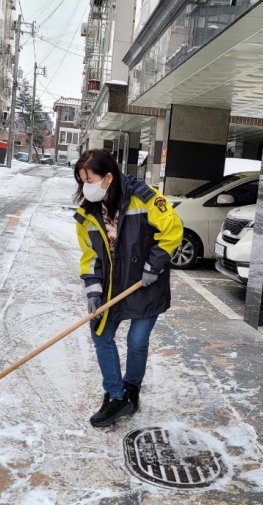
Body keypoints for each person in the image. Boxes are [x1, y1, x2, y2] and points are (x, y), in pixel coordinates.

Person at [73, 149, 183, 427]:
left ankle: (132, 388)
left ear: (108, 177)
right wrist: (93, 292)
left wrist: (153, 266)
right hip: (111, 289)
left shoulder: (144, 198)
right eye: (82, 181)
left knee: (136, 340)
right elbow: (90, 258)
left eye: (90, 179)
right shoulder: (87, 214)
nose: (86, 187)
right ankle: (116, 394)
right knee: (101, 334)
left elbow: (173, 230)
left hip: (145, 284)